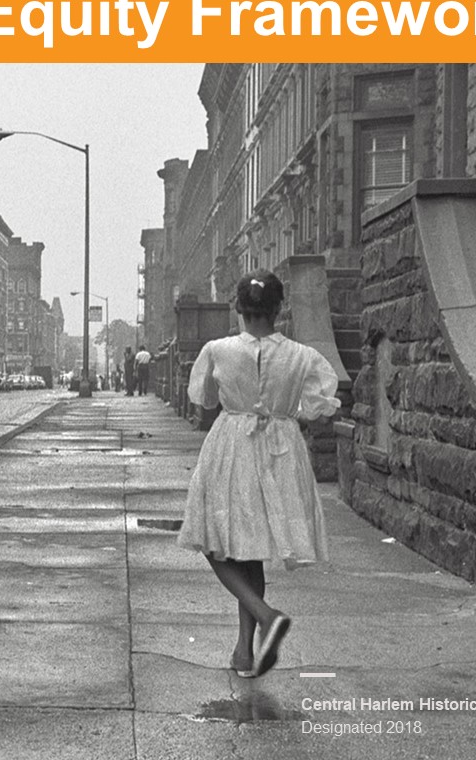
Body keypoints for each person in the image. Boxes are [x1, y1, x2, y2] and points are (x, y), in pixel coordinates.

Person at [176, 269, 340, 679]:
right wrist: (282, 409)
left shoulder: (218, 350)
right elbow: (318, 409)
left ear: (239, 308)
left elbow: (204, 401)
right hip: (280, 452)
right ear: (278, 308)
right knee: (250, 550)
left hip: (232, 447)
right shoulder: (303, 356)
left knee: (214, 541)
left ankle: (266, 616)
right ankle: (243, 651)